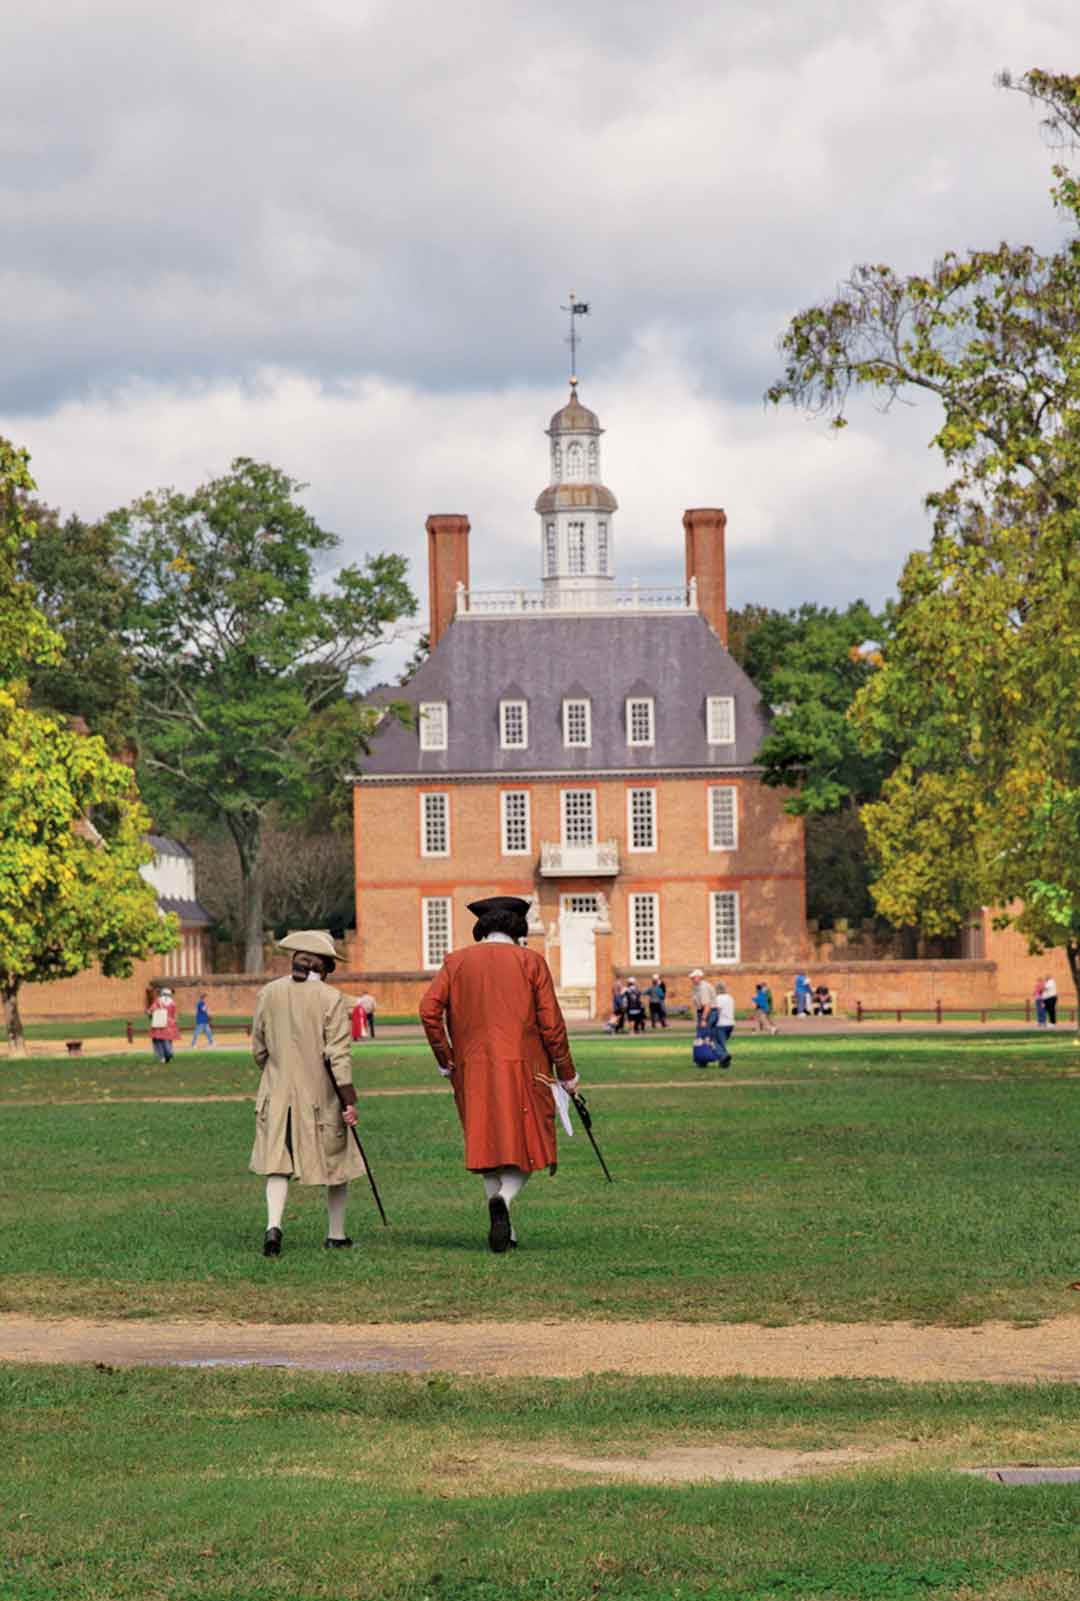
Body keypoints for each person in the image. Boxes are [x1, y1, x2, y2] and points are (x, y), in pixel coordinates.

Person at [419, 895, 579, 1253]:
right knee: (532, 1145)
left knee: (487, 1145)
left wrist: (447, 1058)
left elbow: (429, 1010)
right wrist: (567, 1072)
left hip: (472, 1069)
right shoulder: (531, 962)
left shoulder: (456, 961)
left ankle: (505, 1229)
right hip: (527, 1067)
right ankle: (503, 1201)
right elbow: (552, 1024)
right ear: (518, 926)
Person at [249, 929, 366, 1257]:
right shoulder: (331, 999)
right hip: (321, 1097)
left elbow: (259, 1049)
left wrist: (276, 1073)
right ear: (325, 967)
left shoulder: (268, 993)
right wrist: (349, 1100)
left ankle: (274, 1226)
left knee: (277, 1164)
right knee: (337, 1164)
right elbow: (338, 1056)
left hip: (275, 1093)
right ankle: (336, 1234)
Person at [148, 987, 178, 1063]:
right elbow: (175, 1015)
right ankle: (169, 1053)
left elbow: (151, 1011)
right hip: (170, 1025)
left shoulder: (158, 1001)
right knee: (168, 1040)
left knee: (158, 1041)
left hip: (159, 1024)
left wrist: (149, 1013)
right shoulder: (173, 1003)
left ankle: (162, 1057)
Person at [714, 981, 735, 1053]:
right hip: (731, 1024)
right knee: (722, 1042)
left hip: (721, 1024)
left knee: (719, 1043)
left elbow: (717, 1011)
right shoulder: (730, 997)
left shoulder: (718, 998)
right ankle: (723, 1059)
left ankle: (725, 1057)